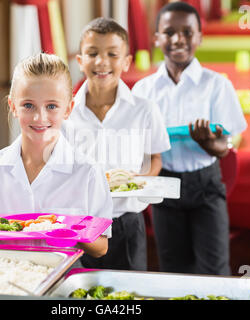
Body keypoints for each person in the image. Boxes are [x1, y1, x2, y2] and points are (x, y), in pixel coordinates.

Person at [132, 1, 247, 276]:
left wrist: (208, 143)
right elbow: (136, 146)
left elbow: (226, 147)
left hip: (206, 185)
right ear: (156, 37)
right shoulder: (143, 90)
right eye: (169, 32)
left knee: (215, 270)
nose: (178, 39)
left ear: (200, 37)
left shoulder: (217, 84)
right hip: (164, 185)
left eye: (187, 32)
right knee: (173, 270)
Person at [0, 53, 112, 258]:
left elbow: (101, 247)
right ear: (13, 106)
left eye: (51, 106)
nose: (39, 117)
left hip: (62, 274)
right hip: (3, 273)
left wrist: (66, 229)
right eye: (28, 105)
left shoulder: (87, 171)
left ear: (68, 109)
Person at [63, 17, 171, 271]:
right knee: (79, 289)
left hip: (127, 221)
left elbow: (155, 158)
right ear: (80, 61)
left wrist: (142, 181)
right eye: (93, 53)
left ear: (126, 62)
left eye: (112, 54)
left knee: (130, 294)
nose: (102, 62)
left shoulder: (144, 110)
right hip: (80, 221)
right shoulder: (65, 114)